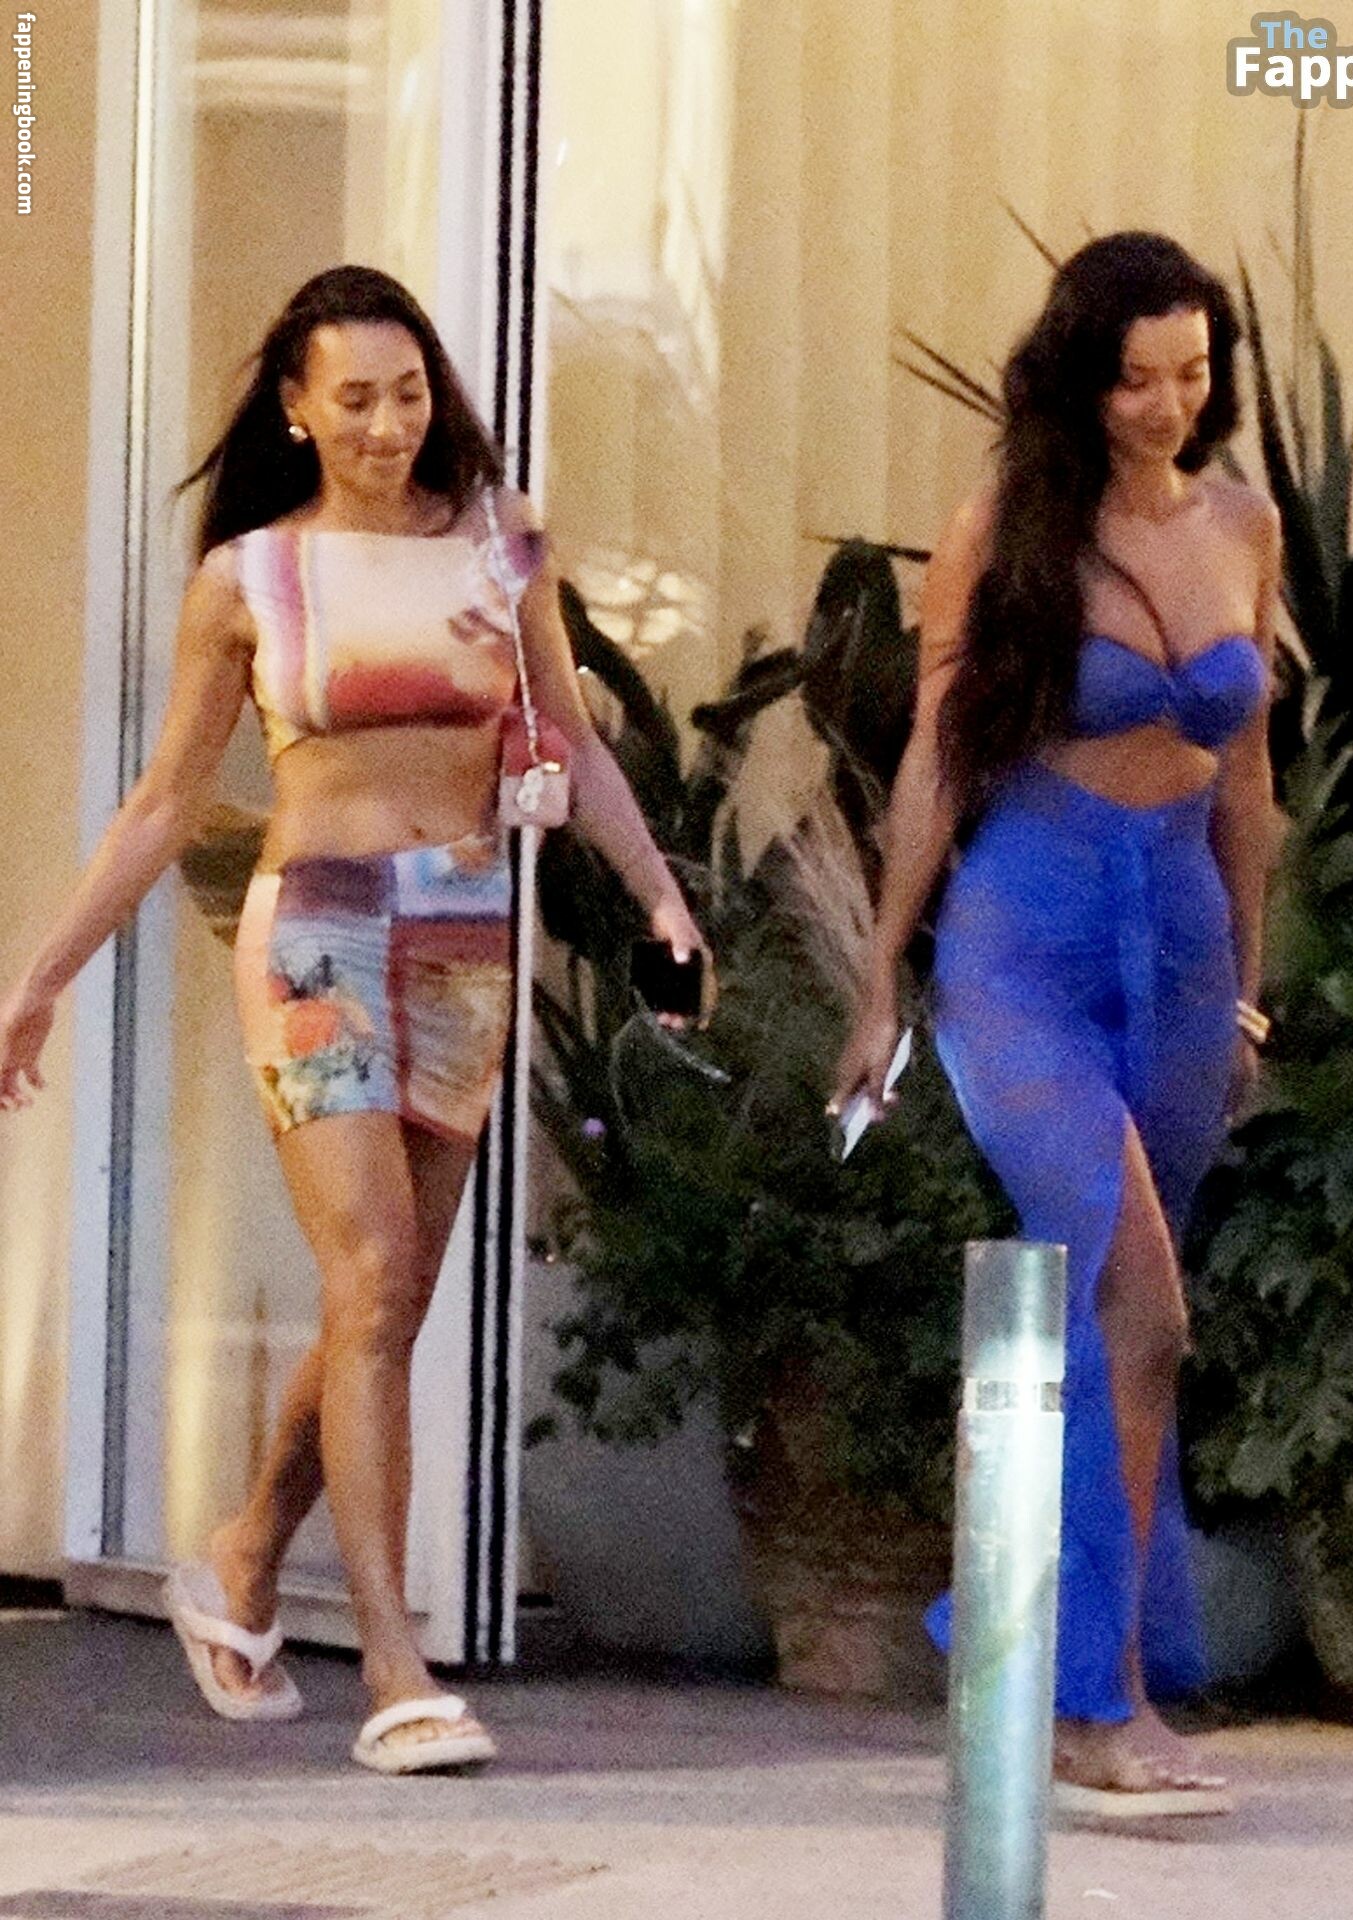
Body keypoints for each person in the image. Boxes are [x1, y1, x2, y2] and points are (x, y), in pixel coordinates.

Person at [0, 265, 710, 1774]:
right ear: (297, 408)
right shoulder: (250, 577)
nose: (389, 426)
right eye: (356, 400)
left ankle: (245, 1556)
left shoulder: (500, 543)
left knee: (383, 1302)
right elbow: (165, 802)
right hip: (316, 930)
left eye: (409, 394)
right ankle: (396, 1669)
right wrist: (40, 979)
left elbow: (573, 742)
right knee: (376, 1273)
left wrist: (660, 894)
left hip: (462, 934)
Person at [831, 233, 1278, 1817]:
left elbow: (1249, 785)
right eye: (1135, 379)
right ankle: (1091, 1700)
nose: (1166, 405)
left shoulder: (1243, 526)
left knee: (1120, 1330)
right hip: (1023, 932)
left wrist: (1247, 982)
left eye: (1192, 374)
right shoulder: (1005, 534)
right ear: (1079, 380)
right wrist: (880, 976)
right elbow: (935, 758)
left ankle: (1055, 1659)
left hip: (1182, 939)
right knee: (1135, 1300)